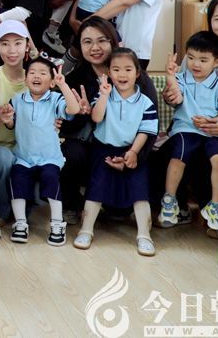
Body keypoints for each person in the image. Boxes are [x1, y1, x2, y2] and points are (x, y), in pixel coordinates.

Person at [62, 16, 160, 225]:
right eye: (87, 42)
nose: (95, 48)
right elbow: (65, 127)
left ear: (113, 41)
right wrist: (81, 114)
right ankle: (72, 203)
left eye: (102, 40)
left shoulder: (137, 78)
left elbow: (151, 124)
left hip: (127, 147)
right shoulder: (75, 79)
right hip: (92, 148)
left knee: (119, 213)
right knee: (71, 152)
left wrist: (133, 156)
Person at [74, 48, 159, 256]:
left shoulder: (145, 102)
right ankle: (86, 230)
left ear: (137, 73)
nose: (122, 74)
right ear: (109, 73)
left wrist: (134, 152)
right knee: (96, 187)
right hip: (103, 149)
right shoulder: (103, 94)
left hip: (132, 150)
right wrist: (103, 95)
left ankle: (144, 235)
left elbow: (146, 131)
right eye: (116, 69)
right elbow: (96, 118)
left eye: (128, 69)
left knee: (139, 189)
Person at [158, 31, 218, 235]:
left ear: (217, 62)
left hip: (212, 133)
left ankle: (215, 206)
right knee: (180, 153)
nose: (196, 64)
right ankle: (170, 201)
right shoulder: (181, 79)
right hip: (185, 130)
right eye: (191, 57)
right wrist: (170, 76)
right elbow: (175, 97)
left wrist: (215, 121)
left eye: (203, 60)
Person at [0, 56, 82, 246]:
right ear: (25, 78)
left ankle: (57, 223)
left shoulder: (55, 99)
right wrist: (7, 120)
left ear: (52, 81)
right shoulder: (17, 100)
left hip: (49, 158)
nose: (36, 76)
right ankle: (20, 223)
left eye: (43, 73)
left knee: (51, 180)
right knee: (17, 180)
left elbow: (73, 109)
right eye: (32, 72)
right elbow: (11, 124)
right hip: (24, 157)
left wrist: (63, 85)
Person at [0, 20, 31, 223]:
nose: (12, 50)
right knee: (3, 158)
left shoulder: (36, 77)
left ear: (27, 45)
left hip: (27, 149)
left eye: (18, 43)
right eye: (5, 44)